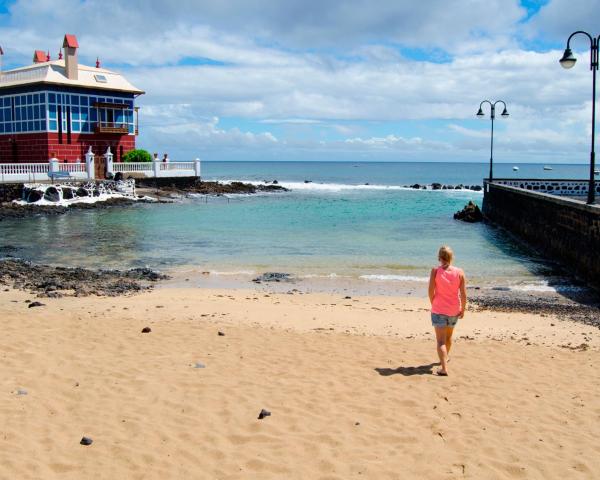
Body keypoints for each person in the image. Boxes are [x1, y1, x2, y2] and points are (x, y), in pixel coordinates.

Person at [428, 246, 467, 376]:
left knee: (440, 341)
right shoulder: (460, 272)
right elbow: (463, 293)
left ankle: (444, 368)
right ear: (451, 257)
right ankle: (445, 358)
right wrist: (463, 309)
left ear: (439, 257)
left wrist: (433, 302)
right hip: (454, 310)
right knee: (448, 338)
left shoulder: (435, 271)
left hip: (439, 309)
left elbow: (430, 291)